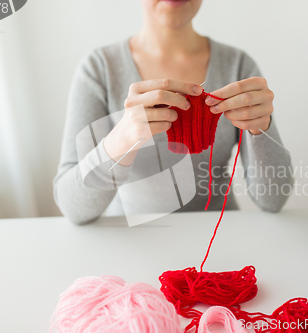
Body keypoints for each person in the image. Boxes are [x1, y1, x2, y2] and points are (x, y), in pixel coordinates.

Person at [53, 0, 293, 224]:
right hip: (131, 241)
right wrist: (122, 138)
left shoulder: (238, 65)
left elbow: (274, 199)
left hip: (219, 236)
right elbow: (73, 208)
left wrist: (262, 128)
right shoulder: (100, 69)